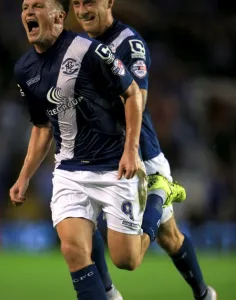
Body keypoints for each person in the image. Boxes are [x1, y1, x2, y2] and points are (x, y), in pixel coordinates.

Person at [10, 0, 180, 299]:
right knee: (72, 250)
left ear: (59, 17)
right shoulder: (24, 69)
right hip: (69, 171)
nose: (29, 13)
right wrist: (24, 177)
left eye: (38, 5)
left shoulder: (91, 50)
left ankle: (158, 196)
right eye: (25, 7)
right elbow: (41, 126)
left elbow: (132, 95)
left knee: (126, 261)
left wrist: (130, 150)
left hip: (113, 166)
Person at [71, 0, 217, 299]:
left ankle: (203, 293)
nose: (82, 10)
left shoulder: (129, 44)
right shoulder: (80, 45)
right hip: (96, 156)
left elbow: (137, 99)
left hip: (137, 154)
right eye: (76, 3)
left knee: (168, 237)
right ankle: (109, 292)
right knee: (79, 219)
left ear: (109, 2)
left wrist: (130, 149)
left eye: (89, 2)